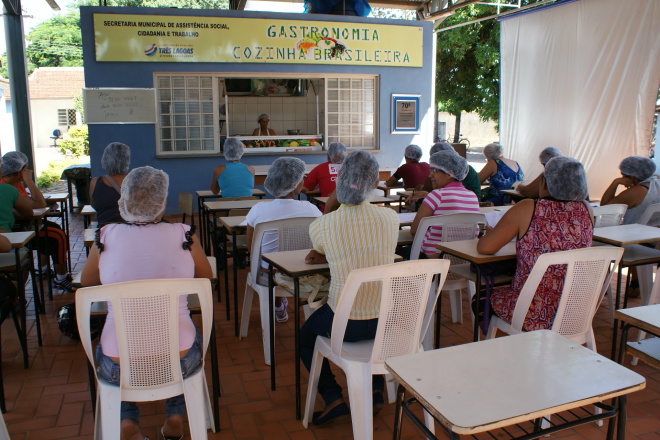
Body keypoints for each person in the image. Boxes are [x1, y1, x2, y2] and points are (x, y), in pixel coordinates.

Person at [81, 166, 213, 440]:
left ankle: (127, 421)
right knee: (186, 336)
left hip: (118, 366)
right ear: (162, 202)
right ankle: (175, 414)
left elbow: (87, 282)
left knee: (111, 342)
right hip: (180, 360)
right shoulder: (184, 235)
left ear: (123, 202)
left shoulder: (104, 237)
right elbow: (205, 277)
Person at [301, 150, 399, 425]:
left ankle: (333, 397)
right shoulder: (390, 219)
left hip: (345, 322)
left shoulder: (323, 225)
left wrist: (332, 201)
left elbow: (319, 249)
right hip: (384, 321)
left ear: (339, 182)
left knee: (305, 339)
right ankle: (376, 388)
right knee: (373, 322)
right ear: (372, 184)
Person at [477, 156, 593, 331]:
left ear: (544, 183)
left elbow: (485, 248)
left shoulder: (528, 208)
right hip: (574, 311)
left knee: (480, 300)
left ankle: (497, 351)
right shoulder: (587, 210)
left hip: (532, 312)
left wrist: (493, 234)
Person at [245, 157, 322, 322]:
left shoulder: (258, 210)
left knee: (268, 260)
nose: (305, 179)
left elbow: (251, 246)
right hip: (303, 271)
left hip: (270, 273)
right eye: (302, 177)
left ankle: (278, 305)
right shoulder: (312, 209)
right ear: (294, 184)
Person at [0, 151, 73, 292]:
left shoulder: (14, 184)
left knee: (51, 231)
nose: (28, 171)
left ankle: (44, 270)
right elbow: (38, 204)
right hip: (17, 231)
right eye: (25, 168)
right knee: (55, 235)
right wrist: (29, 180)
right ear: (19, 171)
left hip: (19, 228)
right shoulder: (7, 187)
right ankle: (61, 278)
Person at [410, 151, 480, 258]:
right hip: (462, 260)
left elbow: (415, 230)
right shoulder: (472, 196)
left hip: (432, 262)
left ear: (449, 173)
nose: (430, 175)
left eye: (434, 170)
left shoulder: (437, 195)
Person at [407, 142, 481, 203]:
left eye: (434, 168)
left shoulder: (445, 173)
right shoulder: (465, 170)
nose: (431, 175)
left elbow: (428, 190)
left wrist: (423, 192)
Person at [601, 156, 660, 225]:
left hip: (634, 233)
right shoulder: (656, 184)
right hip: (655, 232)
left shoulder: (637, 192)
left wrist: (615, 182)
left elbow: (604, 209)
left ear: (633, 177)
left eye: (623, 176)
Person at [89, 142, 131, 225]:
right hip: (130, 232)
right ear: (126, 160)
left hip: (105, 233)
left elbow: (94, 205)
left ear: (105, 159)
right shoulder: (135, 181)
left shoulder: (95, 183)